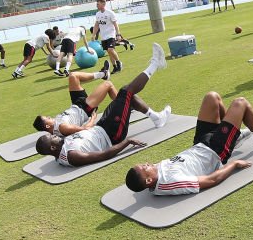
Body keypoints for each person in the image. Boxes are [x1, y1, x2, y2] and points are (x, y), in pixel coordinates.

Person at [36, 44, 170, 167]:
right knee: (125, 92)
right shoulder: (72, 155)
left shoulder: (61, 146)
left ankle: (157, 118)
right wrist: (127, 142)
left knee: (125, 98)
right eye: (53, 137)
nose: (56, 135)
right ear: (53, 148)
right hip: (112, 134)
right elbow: (103, 155)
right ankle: (155, 64)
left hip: (101, 126)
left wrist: (92, 123)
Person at [124, 91, 253, 194]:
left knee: (212, 97)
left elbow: (141, 181)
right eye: (145, 167)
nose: (147, 163)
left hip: (200, 144)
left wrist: (144, 174)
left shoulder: (154, 174)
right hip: (214, 151)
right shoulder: (171, 182)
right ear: (149, 179)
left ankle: (232, 137)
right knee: (240, 103)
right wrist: (234, 164)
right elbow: (212, 180)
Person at [33, 69, 116, 137]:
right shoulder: (63, 127)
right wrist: (93, 119)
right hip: (85, 108)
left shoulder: (53, 127)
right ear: (47, 126)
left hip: (76, 103)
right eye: (47, 118)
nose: (49, 117)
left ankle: (103, 74)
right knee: (108, 84)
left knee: (73, 76)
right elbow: (85, 129)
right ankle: (125, 103)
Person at [93, 0, 125, 74]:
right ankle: (115, 67)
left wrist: (118, 34)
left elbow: (115, 24)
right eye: (96, 4)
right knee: (109, 52)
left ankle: (118, 63)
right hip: (103, 36)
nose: (97, 5)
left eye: (98, 4)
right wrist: (93, 34)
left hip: (111, 35)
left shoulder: (110, 13)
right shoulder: (97, 14)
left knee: (111, 49)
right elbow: (96, 25)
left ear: (103, 4)